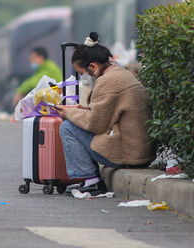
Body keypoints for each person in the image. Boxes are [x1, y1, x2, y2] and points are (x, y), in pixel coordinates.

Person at [55, 32, 155, 196]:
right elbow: (106, 113)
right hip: (141, 151)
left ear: (93, 67)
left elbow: (96, 124)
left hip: (129, 154)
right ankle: (90, 179)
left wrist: (69, 114)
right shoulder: (119, 73)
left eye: (82, 73)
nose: (83, 78)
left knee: (67, 127)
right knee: (73, 121)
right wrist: (79, 111)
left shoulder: (107, 81)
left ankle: (90, 180)